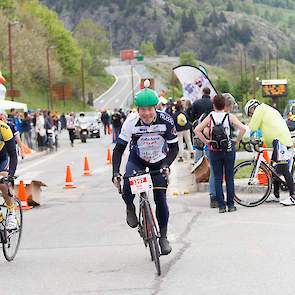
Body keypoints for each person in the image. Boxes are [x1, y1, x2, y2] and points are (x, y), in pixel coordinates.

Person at [112, 84, 179, 255]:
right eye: (143, 110)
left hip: (159, 160)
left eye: (150, 109)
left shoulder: (166, 120)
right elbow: (118, 149)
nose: (147, 113)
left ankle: (163, 237)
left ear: (156, 107)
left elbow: (174, 148)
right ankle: (130, 207)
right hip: (138, 159)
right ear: (138, 109)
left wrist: (166, 165)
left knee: (160, 198)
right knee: (127, 185)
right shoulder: (131, 122)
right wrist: (115, 173)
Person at [195, 94, 246, 213]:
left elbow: (197, 130)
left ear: (213, 105)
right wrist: (237, 140)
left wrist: (207, 142)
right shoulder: (229, 117)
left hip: (214, 150)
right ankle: (231, 205)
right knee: (229, 178)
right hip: (228, 149)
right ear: (225, 105)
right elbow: (243, 128)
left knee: (217, 178)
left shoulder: (210, 117)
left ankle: (221, 206)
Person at [245, 99, 295, 206]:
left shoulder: (259, 109)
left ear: (252, 108)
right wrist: (262, 140)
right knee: (273, 169)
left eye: (250, 114)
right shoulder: (265, 109)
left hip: (279, 141)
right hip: (276, 141)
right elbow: (269, 128)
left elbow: (253, 127)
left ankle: (293, 196)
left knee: (283, 169)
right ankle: (276, 195)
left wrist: (247, 136)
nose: (251, 116)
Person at [0, 120, 18, 229]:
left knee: (3, 184)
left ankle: (12, 214)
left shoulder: (4, 129)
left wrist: (10, 177)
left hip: (2, 158)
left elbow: (13, 155)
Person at [191, 87, 214, 164]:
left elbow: (192, 115)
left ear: (203, 92)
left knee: (199, 145)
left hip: (199, 125)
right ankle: (209, 163)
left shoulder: (196, 102)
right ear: (209, 93)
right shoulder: (212, 103)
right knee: (209, 144)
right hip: (210, 126)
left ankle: (197, 163)